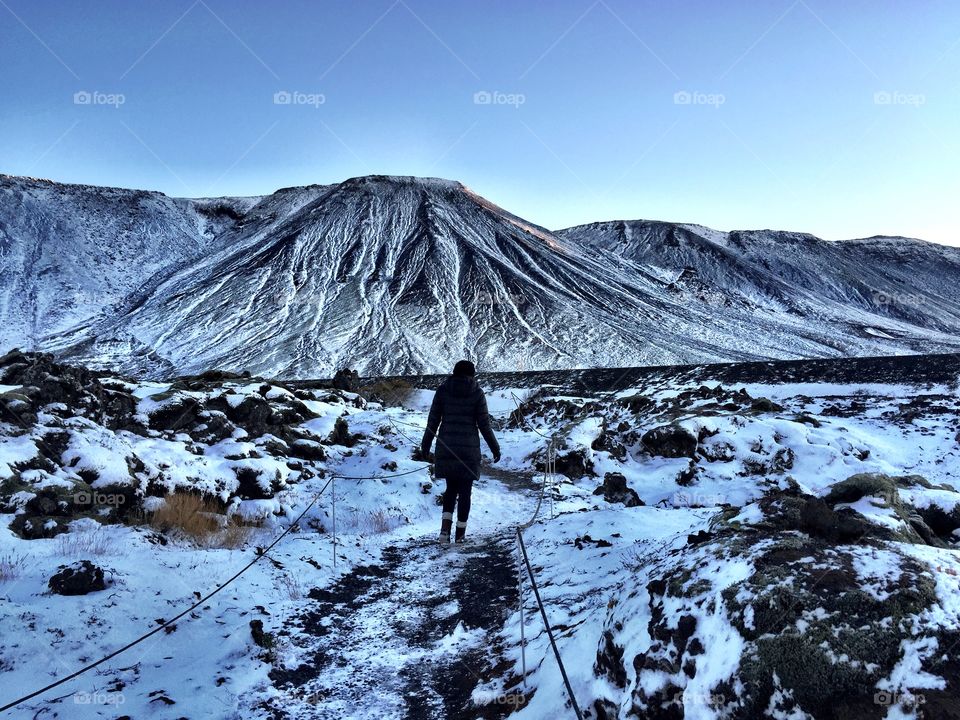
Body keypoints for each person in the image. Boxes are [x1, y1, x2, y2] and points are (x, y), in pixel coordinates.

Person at [420, 360, 500, 544]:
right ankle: (460, 535)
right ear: (472, 374)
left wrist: (425, 446)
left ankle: (444, 532)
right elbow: (484, 425)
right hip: (469, 450)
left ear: (454, 372)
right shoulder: (477, 393)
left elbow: (432, 422)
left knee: (450, 489)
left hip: (446, 446)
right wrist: (495, 447)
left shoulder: (443, 390)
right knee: (465, 492)